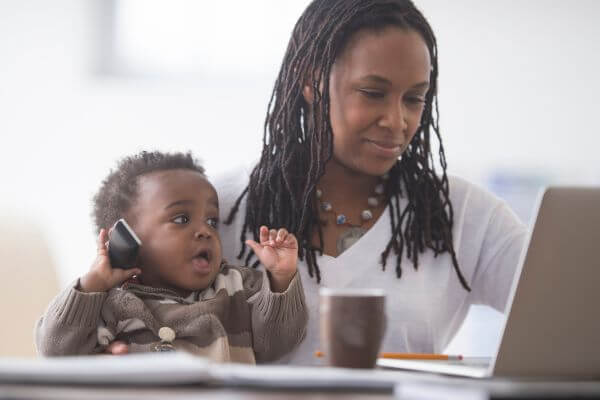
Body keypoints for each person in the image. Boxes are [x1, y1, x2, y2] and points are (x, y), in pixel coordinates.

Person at [214, 0, 527, 365]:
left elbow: (571, 310)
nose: (397, 122)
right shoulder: (220, 209)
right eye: (373, 93)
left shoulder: (464, 215)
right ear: (309, 79)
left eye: (414, 99)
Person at [35, 151, 307, 364]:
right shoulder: (112, 303)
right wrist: (92, 283)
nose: (205, 231)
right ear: (126, 238)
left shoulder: (238, 287)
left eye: (212, 221)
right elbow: (57, 352)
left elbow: (276, 346)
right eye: (181, 219)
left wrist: (281, 279)